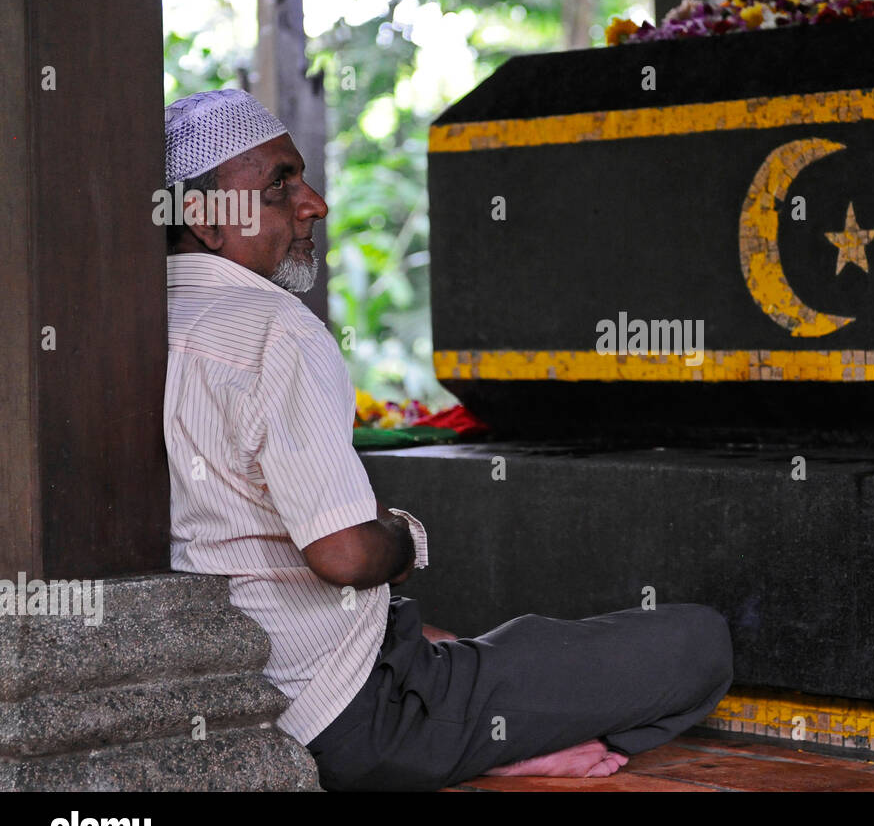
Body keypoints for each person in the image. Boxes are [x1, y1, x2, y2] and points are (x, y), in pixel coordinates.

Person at [162, 89, 733, 790]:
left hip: (260, 684)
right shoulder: (277, 330)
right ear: (206, 218)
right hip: (355, 714)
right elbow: (344, 556)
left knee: (488, 648)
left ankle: (487, 727)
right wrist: (404, 537)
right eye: (279, 184)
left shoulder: (141, 320)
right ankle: (491, 746)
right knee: (697, 643)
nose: (313, 203)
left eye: (301, 177)